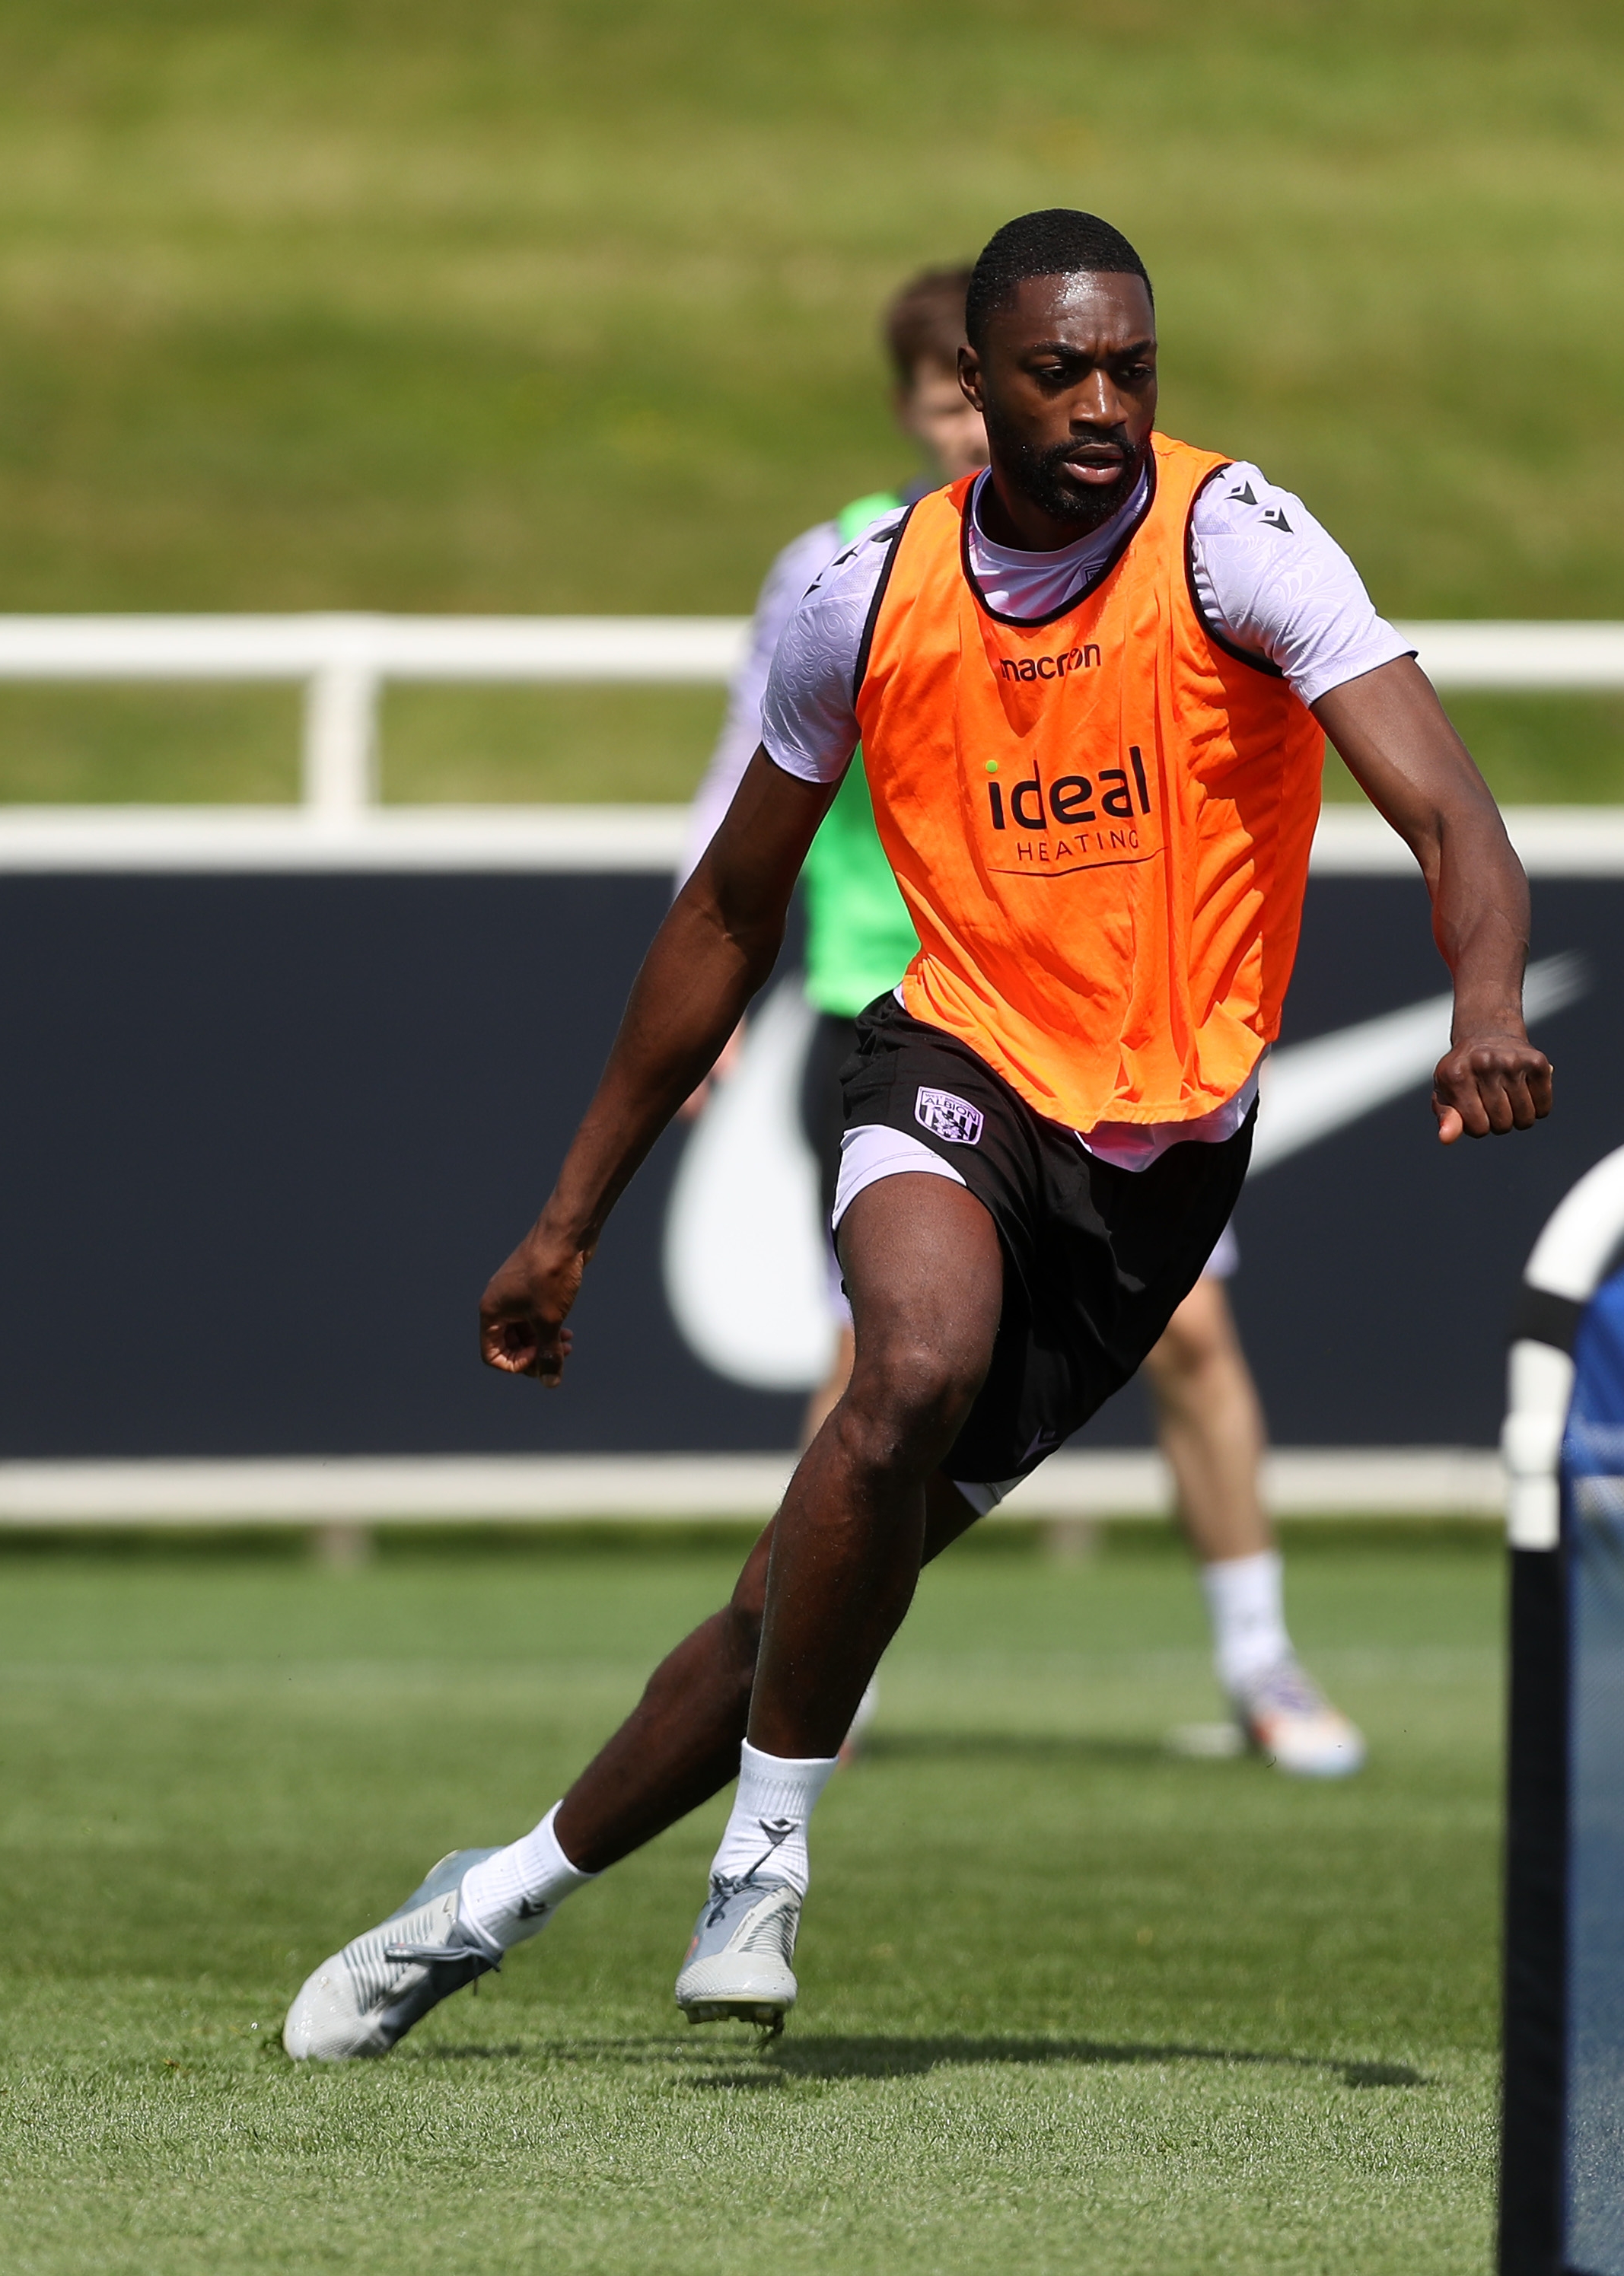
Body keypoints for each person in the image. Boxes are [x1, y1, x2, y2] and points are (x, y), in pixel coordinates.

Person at [285, 209, 1551, 2060]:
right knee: (908, 1367)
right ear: (971, 385)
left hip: (1158, 1163)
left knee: (781, 1607)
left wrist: (1490, 1004)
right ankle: (768, 1856)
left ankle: (484, 1898)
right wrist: (568, 1218)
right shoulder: (855, 592)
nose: (1103, 404)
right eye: (1058, 371)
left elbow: (1451, 813)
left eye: (1131, 365)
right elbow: (724, 906)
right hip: (947, 1059)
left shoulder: (1239, 544)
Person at [681, 264, 1363, 1779]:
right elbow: (743, 783)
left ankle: (1259, 1658)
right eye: (937, 401)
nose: (961, 428)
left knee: (1186, 1332)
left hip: (1102, 1020)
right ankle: (818, 1666)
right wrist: (705, 1011)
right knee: (880, 1352)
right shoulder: (848, 569)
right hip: (900, 999)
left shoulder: (1155, 550)